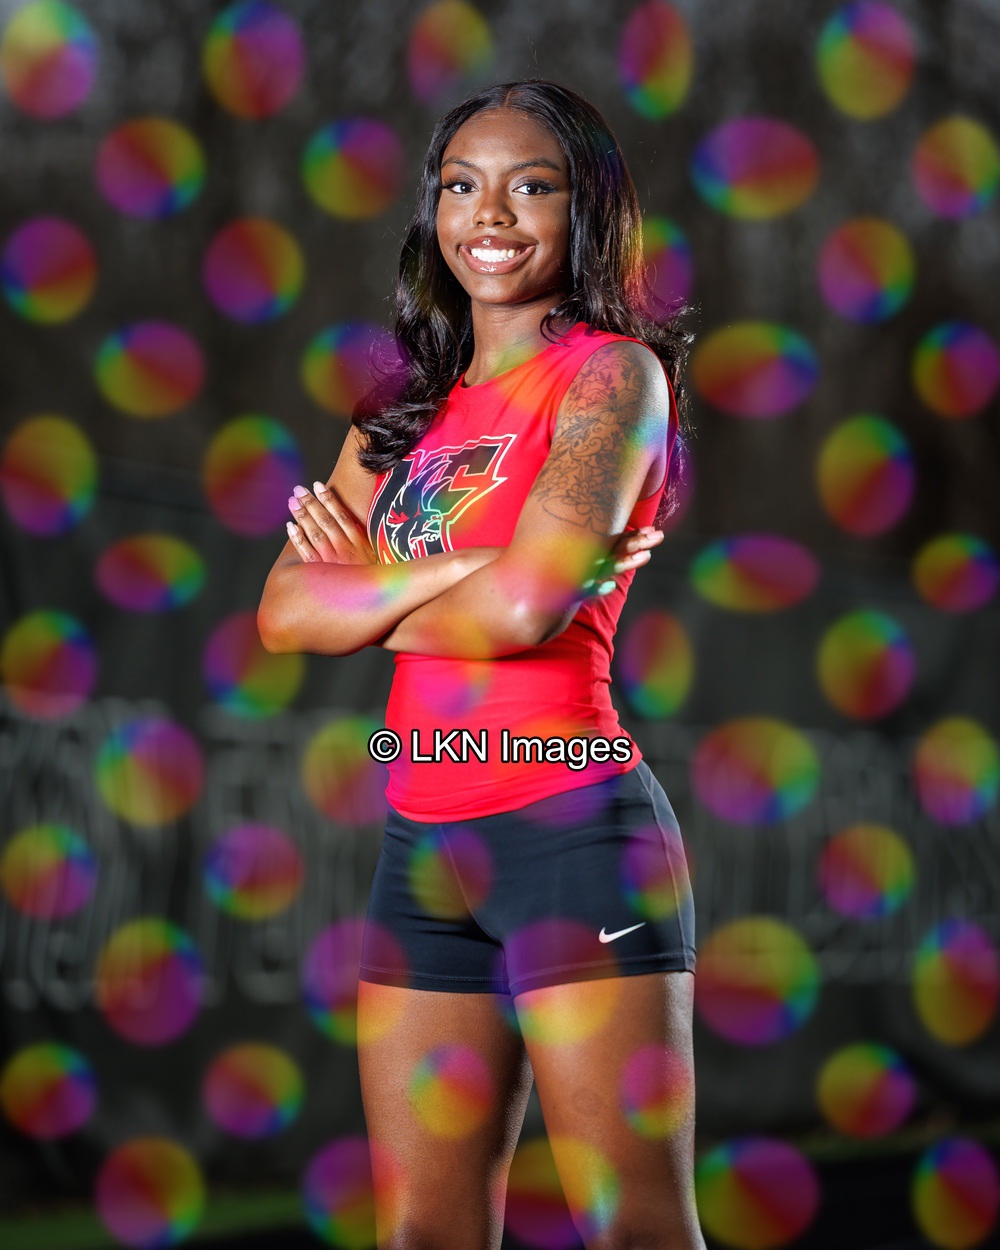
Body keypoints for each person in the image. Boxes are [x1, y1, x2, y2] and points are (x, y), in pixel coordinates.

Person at [258, 79, 704, 1250]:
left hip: (573, 836)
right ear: (433, 211)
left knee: (636, 1229)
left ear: (585, 210)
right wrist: (478, 566)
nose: (489, 214)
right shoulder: (397, 413)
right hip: (423, 849)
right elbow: (285, 613)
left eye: (530, 186)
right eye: (461, 185)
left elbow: (517, 614)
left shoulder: (613, 379)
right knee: (422, 1234)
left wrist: (370, 590)